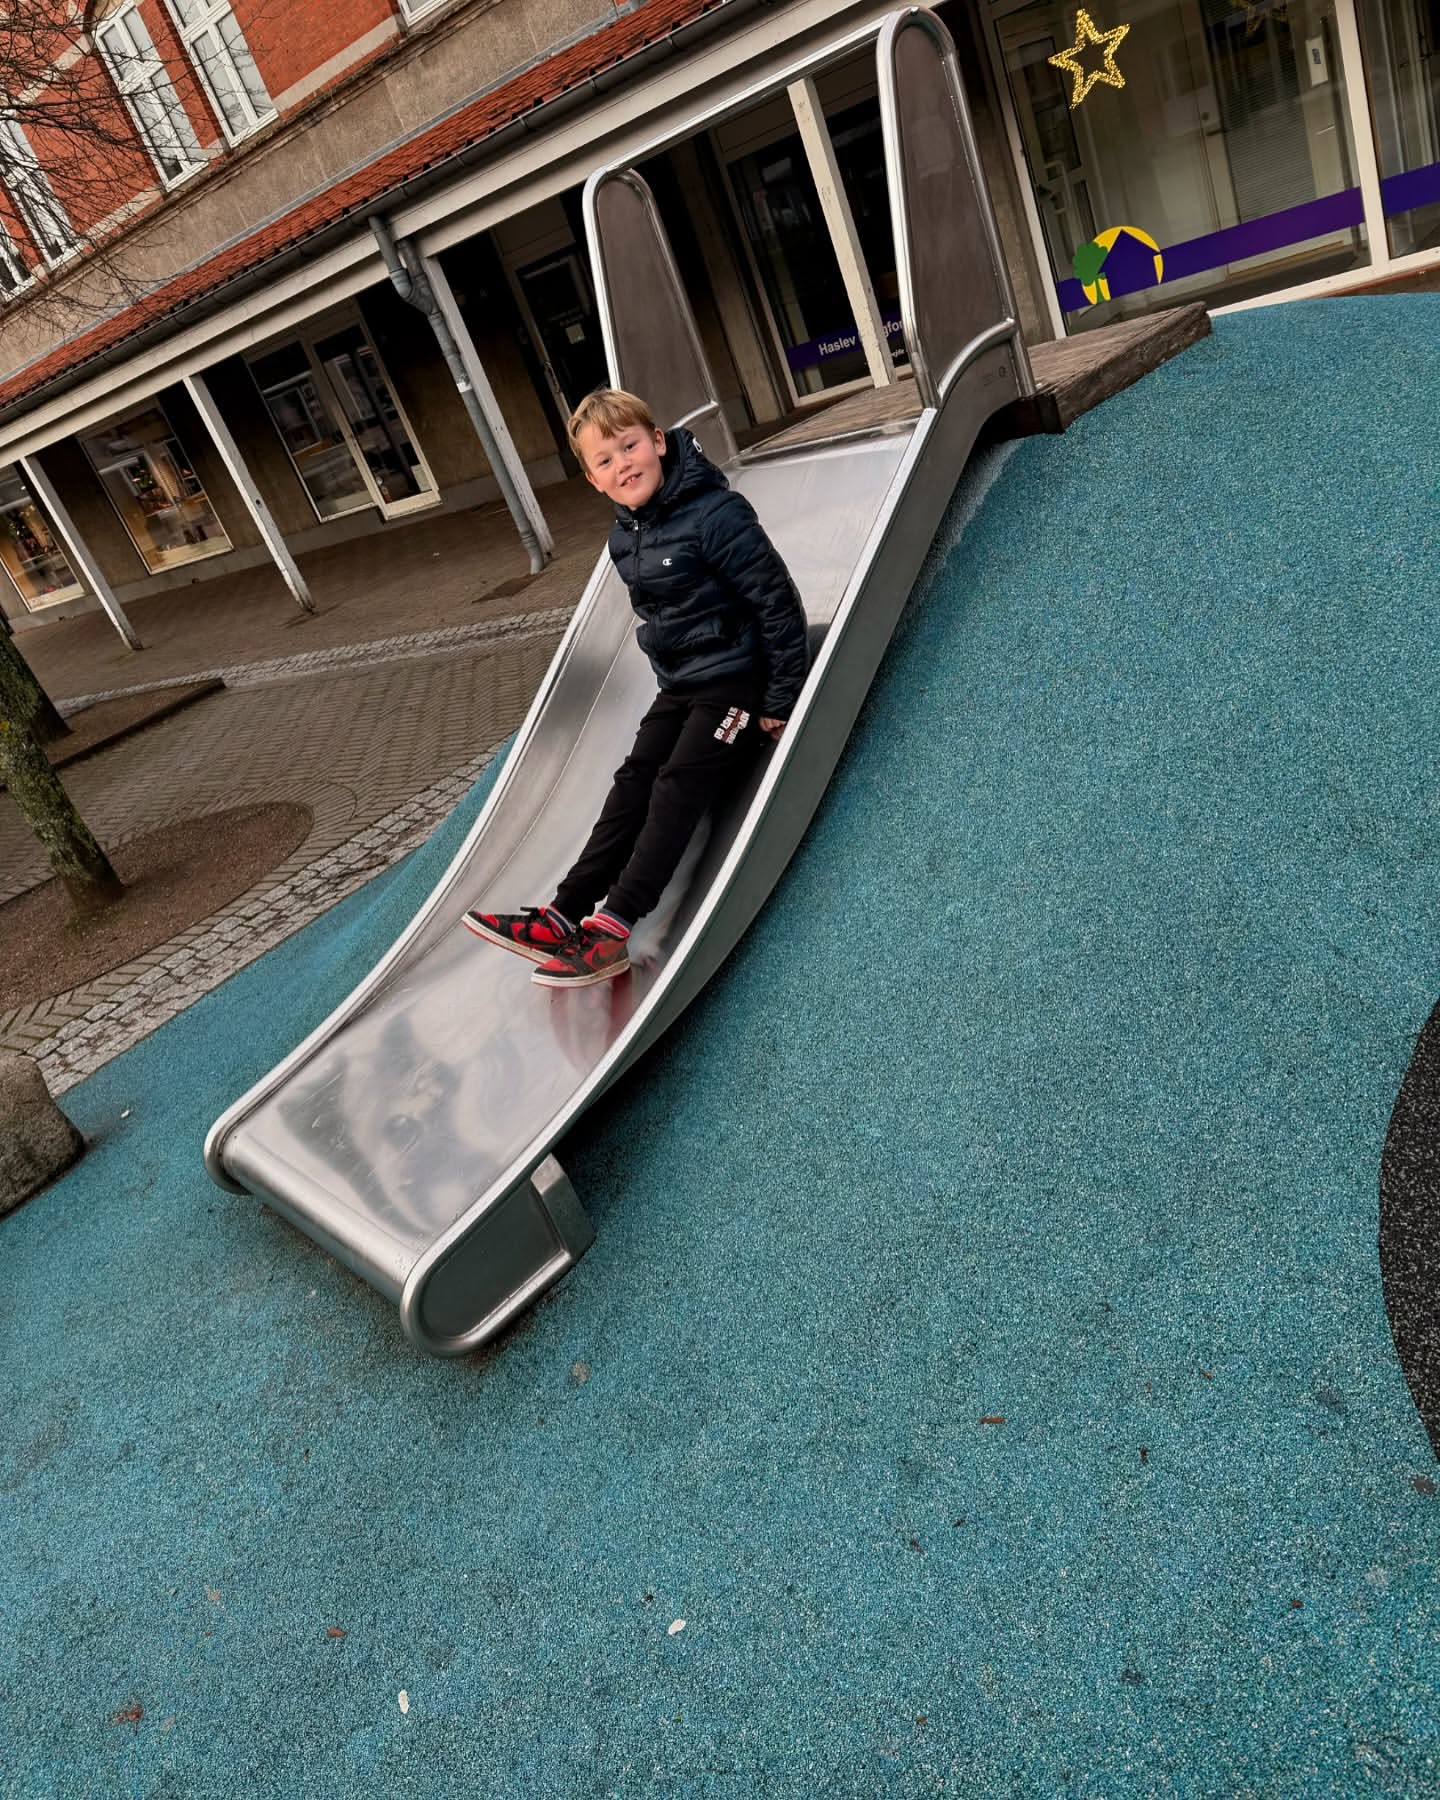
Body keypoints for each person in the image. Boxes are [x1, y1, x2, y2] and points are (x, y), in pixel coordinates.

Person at [464, 386, 808, 988]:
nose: (623, 464)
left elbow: (775, 601)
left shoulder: (716, 514)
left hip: (737, 684)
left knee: (676, 785)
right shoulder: (624, 536)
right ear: (593, 480)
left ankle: (614, 925)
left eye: (629, 447)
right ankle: (564, 913)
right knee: (633, 780)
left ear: (657, 442)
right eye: (605, 460)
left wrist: (780, 695)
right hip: (681, 686)